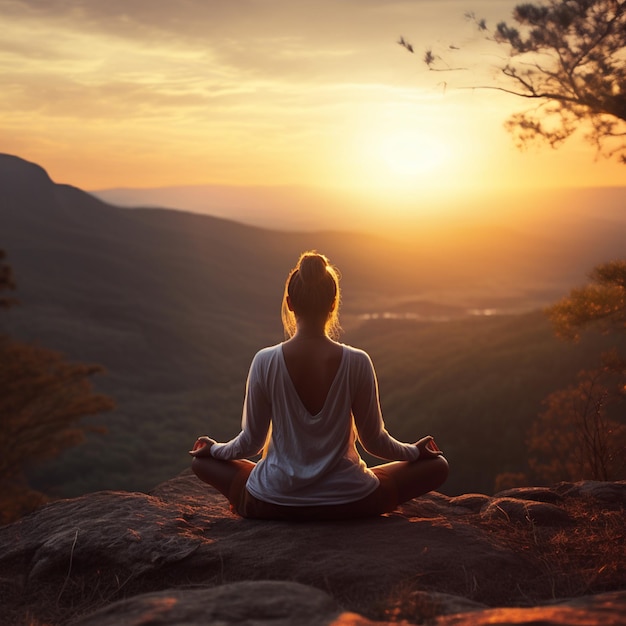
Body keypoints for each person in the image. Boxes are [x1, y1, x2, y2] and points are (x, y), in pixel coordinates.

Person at [190, 251, 448, 521]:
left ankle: (266, 495)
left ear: (290, 303)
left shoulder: (264, 361)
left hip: (274, 503)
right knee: (437, 466)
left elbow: (250, 444)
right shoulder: (357, 361)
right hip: (352, 501)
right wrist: (414, 452)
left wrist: (214, 449)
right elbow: (374, 442)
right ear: (334, 303)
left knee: (202, 462)